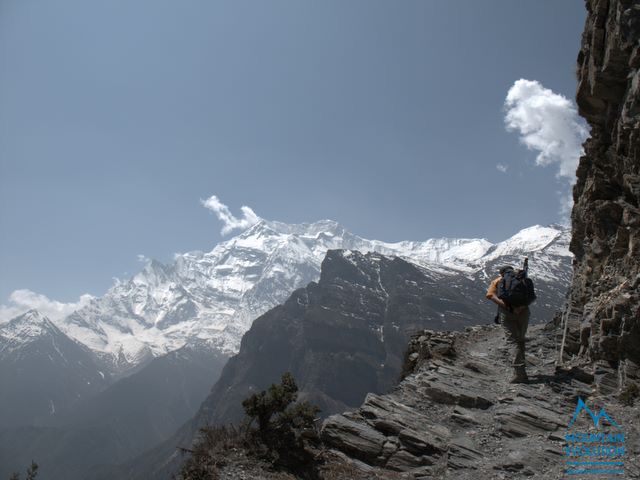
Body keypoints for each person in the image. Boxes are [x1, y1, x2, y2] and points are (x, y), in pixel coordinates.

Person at [486, 266, 530, 383]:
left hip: (507, 313)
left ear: (501, 273)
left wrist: (507, 307)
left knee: (512, 340)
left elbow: (490, 295)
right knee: (520, 339)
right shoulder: (522, 279)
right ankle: (522, 369)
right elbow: (530, 296)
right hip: (524, 312)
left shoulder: (498, 281)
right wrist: (520, 308)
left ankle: (520, 373)